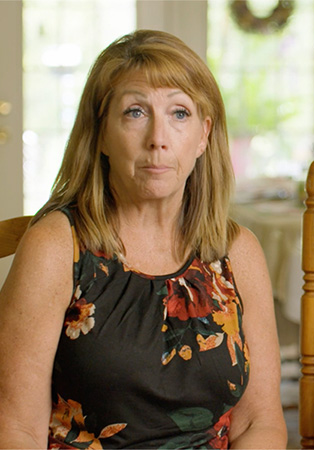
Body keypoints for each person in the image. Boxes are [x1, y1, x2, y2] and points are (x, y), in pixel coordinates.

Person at [0, 29, 287, 449]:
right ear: (100, 133)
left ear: (204, 135)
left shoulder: (237, 252)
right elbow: (16, 429)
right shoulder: (56, 247)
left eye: (180, 113)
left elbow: (258, 423)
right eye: (135, 112)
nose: (158, 138)